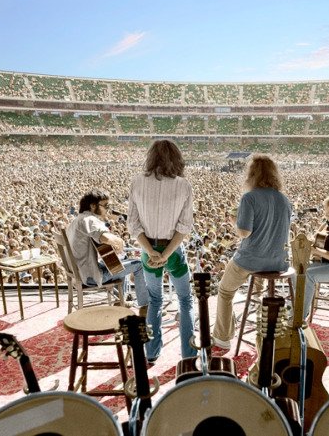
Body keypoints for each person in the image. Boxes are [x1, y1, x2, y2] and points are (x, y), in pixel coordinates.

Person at [212, 154, 292, 350]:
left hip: (252, 260)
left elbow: (244, 232)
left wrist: (234, 222)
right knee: (252, 281)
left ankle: (223, 337)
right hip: (278, 262)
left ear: (252, 174)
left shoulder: (249, 198)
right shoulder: (284, 200)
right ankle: (261, 314)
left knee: (224, 291)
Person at [127, 139, 196, 362]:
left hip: (148, 249)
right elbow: (184, 227)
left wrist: (152, 252)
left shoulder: (137, 182)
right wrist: (166, 254)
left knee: (155, 300)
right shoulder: (183, 185)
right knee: (185, 300)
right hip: (173, 251)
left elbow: (133, 225)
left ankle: (151, 353)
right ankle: (188, 355)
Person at [66, 189, 148, 313]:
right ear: (93, 206)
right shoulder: (89, 219)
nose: (108, 209)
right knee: (139, 265)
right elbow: (104, 237)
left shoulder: (75, 221)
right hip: (90, 276)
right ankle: (146, 307)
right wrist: (119, 241)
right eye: (106, 206)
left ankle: (120, 300)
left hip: (79, 273)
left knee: (121, 260)